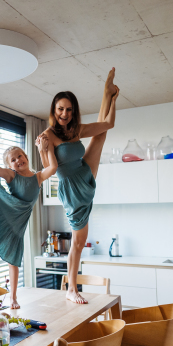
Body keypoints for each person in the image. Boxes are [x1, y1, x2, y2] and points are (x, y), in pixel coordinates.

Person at [40, 67, 120, 304]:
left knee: (101, 135)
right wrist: (43, 149)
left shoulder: (76, 131)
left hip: (84, 172)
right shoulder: (48, 135)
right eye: (60, 109)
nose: (64, 113)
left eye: (69, 109)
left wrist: (112, 99)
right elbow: (50, 169)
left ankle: (106, 92)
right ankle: (71, 289)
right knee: (77, 242)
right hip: (72, 189)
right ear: (54, 110)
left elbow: (107, 124)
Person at [0, 124, 57, 309]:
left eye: (20, 156)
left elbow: (54, 167)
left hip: (20, 221)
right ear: (10, 166)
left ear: (26, 157)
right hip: (8, 212)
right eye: (13, 160)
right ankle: (13, 297)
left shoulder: (38, 177)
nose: (18, 160)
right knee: (13, 260)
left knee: (14, 258)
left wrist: (47, 148)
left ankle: (13, 296)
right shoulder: (11, 176)